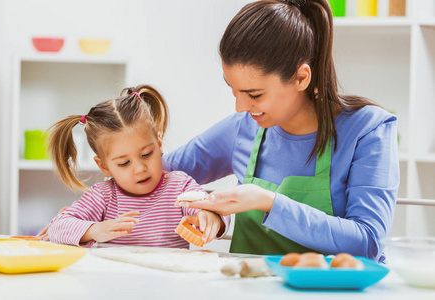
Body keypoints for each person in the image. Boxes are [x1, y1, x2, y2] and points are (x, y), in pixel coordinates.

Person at [169, 0, 399, 262]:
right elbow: (154, 174)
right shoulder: (243, 127)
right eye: (233, 90)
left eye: (253, 94)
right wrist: (208, 211)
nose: (240, 107)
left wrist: (268, 202)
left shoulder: (367, 131)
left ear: (301, 77)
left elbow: (368, 243)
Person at [42, 84, 228, 248]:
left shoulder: (179, 186)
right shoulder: (104, 196)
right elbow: (57, 227)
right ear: (104, 166)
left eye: (147, 154)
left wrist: (211, 217)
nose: (140, 168)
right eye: (124, 163)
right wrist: (94, 230)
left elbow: (212, 206)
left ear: (158, 141)